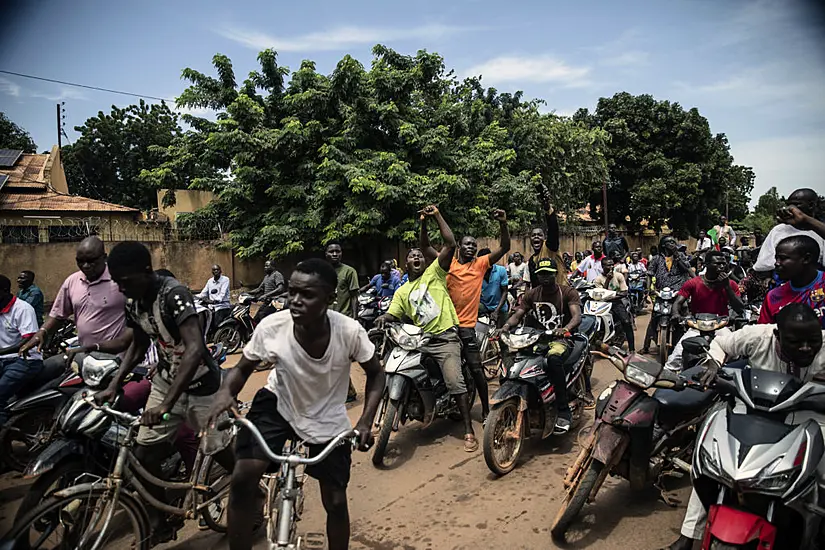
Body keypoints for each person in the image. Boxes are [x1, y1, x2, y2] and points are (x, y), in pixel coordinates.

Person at [206, 258, 384, 550]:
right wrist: (226, 393)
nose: (296, 301)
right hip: (279, 404)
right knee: (242, 479)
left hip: (327, 416)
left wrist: (365, 422)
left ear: (329, 299)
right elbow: (241, 369)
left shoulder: (349, 331)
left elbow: (377, 376)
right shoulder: (272, 326)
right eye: (292, 292)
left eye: (307, 295)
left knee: (336, 500)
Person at [94, 241, 233, 543]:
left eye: (125, 281)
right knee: (144, 453)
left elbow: (195, 348)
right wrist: (114, 384)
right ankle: (160, 522)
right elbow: (139, 345)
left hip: (202, 386)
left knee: (220, 450)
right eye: (116, 282)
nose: (120, 288)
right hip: (167, 381)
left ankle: (251, 491)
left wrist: (166, 406)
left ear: (146, 271)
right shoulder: (134, 301)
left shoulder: (174, 295)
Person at [664, 303, 824, 550]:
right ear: (778, 336)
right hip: (753, 408)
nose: (807, 348)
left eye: (813, 340)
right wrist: (713, 364)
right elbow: (721, 343)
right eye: (796, 342)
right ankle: (688, 536)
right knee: (714, 462)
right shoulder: (757, 336)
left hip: (806, 415)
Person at [375, 205, 478, 451]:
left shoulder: (435, 273)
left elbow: (450, 243)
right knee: (390, 364)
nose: (417, 257)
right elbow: (393, 313)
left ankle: (468, 429)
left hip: (445, 337)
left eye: (419, 255)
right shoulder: (402, 291)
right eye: (412, 256)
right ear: (405, 263)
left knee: (455, 382)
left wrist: (435, 216)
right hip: (420, 340)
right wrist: (383, 320)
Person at [497, 258, 585, 432]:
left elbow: (577, 316)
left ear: (555, 274)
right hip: (535, 338)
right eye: (541, 274)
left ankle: (563, 410)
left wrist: (565, 328)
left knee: (553, 360)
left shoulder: (568, 292)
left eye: (548, 274)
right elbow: (518, 315)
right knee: (515, 361)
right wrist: (505, 327)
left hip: (561, 339)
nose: (545, 277)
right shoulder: (531, 294)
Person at [440, 210, 510, 424]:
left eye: (474, 245)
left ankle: (486, 408)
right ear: (459, 247)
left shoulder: (480, 264)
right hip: (445, 326)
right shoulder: (448, 264)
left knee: (475, 367)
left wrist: (503, 223)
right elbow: (426, 250)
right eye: (467, 244)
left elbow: (505, 247)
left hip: (467, 327)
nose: (471, 248)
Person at [663, 250, 744, 371]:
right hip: (696, 326)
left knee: (735, 354)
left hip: (720, 326)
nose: (722, 267)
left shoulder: (731, 284)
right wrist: (675, 314)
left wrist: (726, 287)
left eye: (724, 264)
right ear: (706, 264)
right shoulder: (693, 283)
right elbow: (678, 302)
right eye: (717, 264)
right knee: (675, 358)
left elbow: (739, 307)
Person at [0, 275, 43, 421]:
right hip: (3, 360)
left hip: (25, 360)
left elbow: (26, 342)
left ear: (4, 291)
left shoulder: (23, 309)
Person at [759, 235, 825, 328]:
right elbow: (764, 334)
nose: (776, 263)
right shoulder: (773, 297)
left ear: (806, 259)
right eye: (776, 258)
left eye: (783, 258)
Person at [642, 236, 692, 355]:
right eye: (669, 242)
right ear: (663, 245)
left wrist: (677, 256)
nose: (672, 244)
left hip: (679, 291)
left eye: (673, 242)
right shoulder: (656, 259)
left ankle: (688, 340)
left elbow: (686, 269)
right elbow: (650, 274)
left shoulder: (681, 256)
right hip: (662, 292)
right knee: (655, 315)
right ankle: (646, 346)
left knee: (684, 310)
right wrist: (649, 289)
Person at [753, 189, 825, 272]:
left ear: (811, 205)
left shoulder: (820, 230)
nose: (790, 209)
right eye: (789, 205)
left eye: (796, 204)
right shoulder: (779, 230)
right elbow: (765, 263)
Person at [326, 242, 361, 402]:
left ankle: (345, 392)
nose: (335, 254)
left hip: (343, 321)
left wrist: (354, 319)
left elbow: (354, 297)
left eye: (337, 251)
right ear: (326, 253)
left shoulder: (349, 271)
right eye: (331, 251)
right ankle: (347, 391)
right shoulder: (322, 272)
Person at [524, 192, 568, 288]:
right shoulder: (531, 261)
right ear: (530, 240)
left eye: (539, 235)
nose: (536, 237)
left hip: (560, 293)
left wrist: (548, 209)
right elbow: (533, 284)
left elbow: (553, 228)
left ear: (544, 238)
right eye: (533, 235)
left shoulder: (549, 247)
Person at [594, 258, 635, 353]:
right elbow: (601, 293)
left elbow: (624, 292)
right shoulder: (598, 279)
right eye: (608, 265)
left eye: (612, 265)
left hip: (616, 303)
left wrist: (609, 297)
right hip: (603, 304)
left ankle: (632, 349)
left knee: (626, 322)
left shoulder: (619, 276)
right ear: (602, 266)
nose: (611, 267)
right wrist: (608, 280)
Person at [478, 248, 510, 328]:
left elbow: (505, 292)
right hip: (484, 305)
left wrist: (496, 311)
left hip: (499, 306)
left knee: (502, 332)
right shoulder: (476, 272)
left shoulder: (501, 270)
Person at [196, 264, 231, 328]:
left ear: (221, 271)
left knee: (216, 325)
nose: (216, 271)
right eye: (214, 270)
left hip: (222, 306)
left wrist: (214, 301)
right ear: (212, 272)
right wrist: (194, 297)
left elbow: (222, 294)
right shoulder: (210, 281)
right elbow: (203, 293)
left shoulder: (225, 280)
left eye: (217, 269)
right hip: (211, 306)